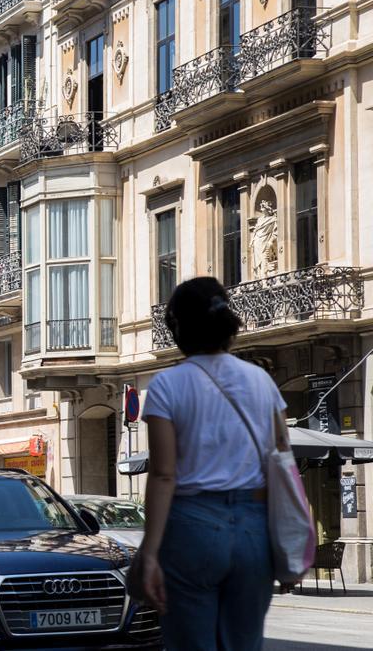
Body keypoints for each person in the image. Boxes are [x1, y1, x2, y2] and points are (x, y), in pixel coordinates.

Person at [138, 277, 291, 650]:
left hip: (191, 529)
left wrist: (150, 551)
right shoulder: (261, 381)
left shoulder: (166, 385)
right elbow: (282, 458)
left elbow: (163, 474)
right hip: (253, 530)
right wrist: (285, 540)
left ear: (178, 328)